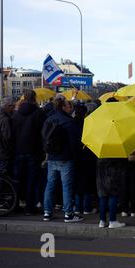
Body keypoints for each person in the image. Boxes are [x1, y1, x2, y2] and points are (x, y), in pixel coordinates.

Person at [42, 95, 83, 223]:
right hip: (66, 157)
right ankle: (68, 214)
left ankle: (47, 212)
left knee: (50, 185)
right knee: (67, 186)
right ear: (63, 107)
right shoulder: (68, 121)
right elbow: (75, 141)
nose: (70, 107)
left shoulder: (49, 119)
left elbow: (43, 136)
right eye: (68, 105)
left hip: (52, 157)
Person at [12, 90, 46, 215]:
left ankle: (15, 204)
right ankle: (30, 207)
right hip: (34, 150)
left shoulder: (16, 114)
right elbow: (43, 133)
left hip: (18, 149)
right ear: (34, 98)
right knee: (32, 179)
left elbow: (13, 133)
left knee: (17, 179)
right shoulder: (39, 113)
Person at [0, 97, 15, 175]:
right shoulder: (5, 119)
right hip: (4, 152)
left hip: (1, 150)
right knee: (4, 174)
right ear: (7, 106)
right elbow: (7, 137)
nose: (14, 108)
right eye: (13, 106)